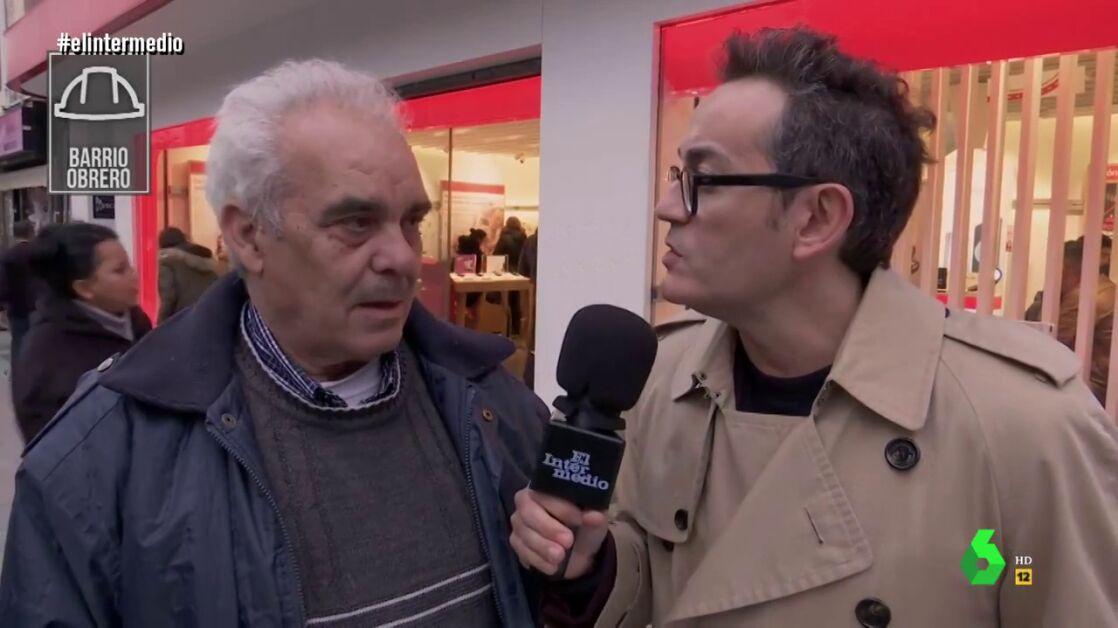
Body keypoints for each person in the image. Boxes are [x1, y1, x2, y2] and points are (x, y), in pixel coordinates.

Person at [511, 28, 1118, 627]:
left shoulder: (1020, 425)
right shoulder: (663, 379)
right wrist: (593, 564)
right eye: (677, 176)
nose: (667, 206)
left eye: (702, 180)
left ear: (816, 218)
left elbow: (1044, 587)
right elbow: (665, 576)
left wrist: (1014, 570)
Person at [0, 60, 547, 627]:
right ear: (248, 235)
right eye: (356, 223)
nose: (404, 258)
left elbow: (551, 600)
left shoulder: (494, 403)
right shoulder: (96, 463)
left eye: (411, 221)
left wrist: (581, 572)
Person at [10, 223, 149, 443]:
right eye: (119, 270)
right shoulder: (45, 352)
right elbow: (47, 442)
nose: (134, 275)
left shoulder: (136, 320)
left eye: (129, 266)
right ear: (84, 288)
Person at [1025, 236, 1114, 403]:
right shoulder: (1106, 287)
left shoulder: (1082, 297)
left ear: (1062, 270)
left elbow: (1051, 343)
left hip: (1095, 390)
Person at [157, 226, 219, 322]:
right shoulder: (204, 258)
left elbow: (169, 298)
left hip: (184, 319)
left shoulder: (167, 261)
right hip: (211, 315)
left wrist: (161, 323)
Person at [0, 220, 39, 362]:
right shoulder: (38, 254)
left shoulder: (8, 255)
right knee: (37, 342)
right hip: (37, 305)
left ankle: (18, 371)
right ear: (31, 233)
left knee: (18, 342)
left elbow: (2, 282)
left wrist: (2, 306)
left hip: (16, 307)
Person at [494, 216, 528, 335]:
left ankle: (506, 329)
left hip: (506, 271)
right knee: (516, 302)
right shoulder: (523, 237)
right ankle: (516, 329)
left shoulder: (504, 238)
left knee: (505, 302)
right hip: (519, 272)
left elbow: (496, 255)